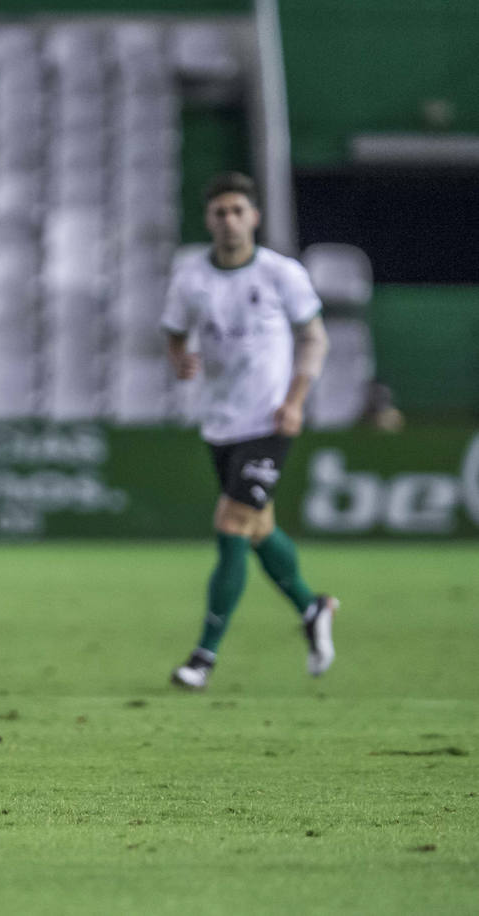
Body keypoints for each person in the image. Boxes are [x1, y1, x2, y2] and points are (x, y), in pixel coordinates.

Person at [162, 171, 338, 691]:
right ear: (209, 220)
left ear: (254, 217)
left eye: (239, 210)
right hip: (220, 422)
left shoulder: (282, 274)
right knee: (258, 528)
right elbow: (173, 333)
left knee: (232, 523)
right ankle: (313, 607)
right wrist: (180, 360)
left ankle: (203, 657)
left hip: (270, 420)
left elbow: (314, 339)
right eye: (220, 212)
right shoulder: (191, 278)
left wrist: (296, 401)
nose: (230, 220)